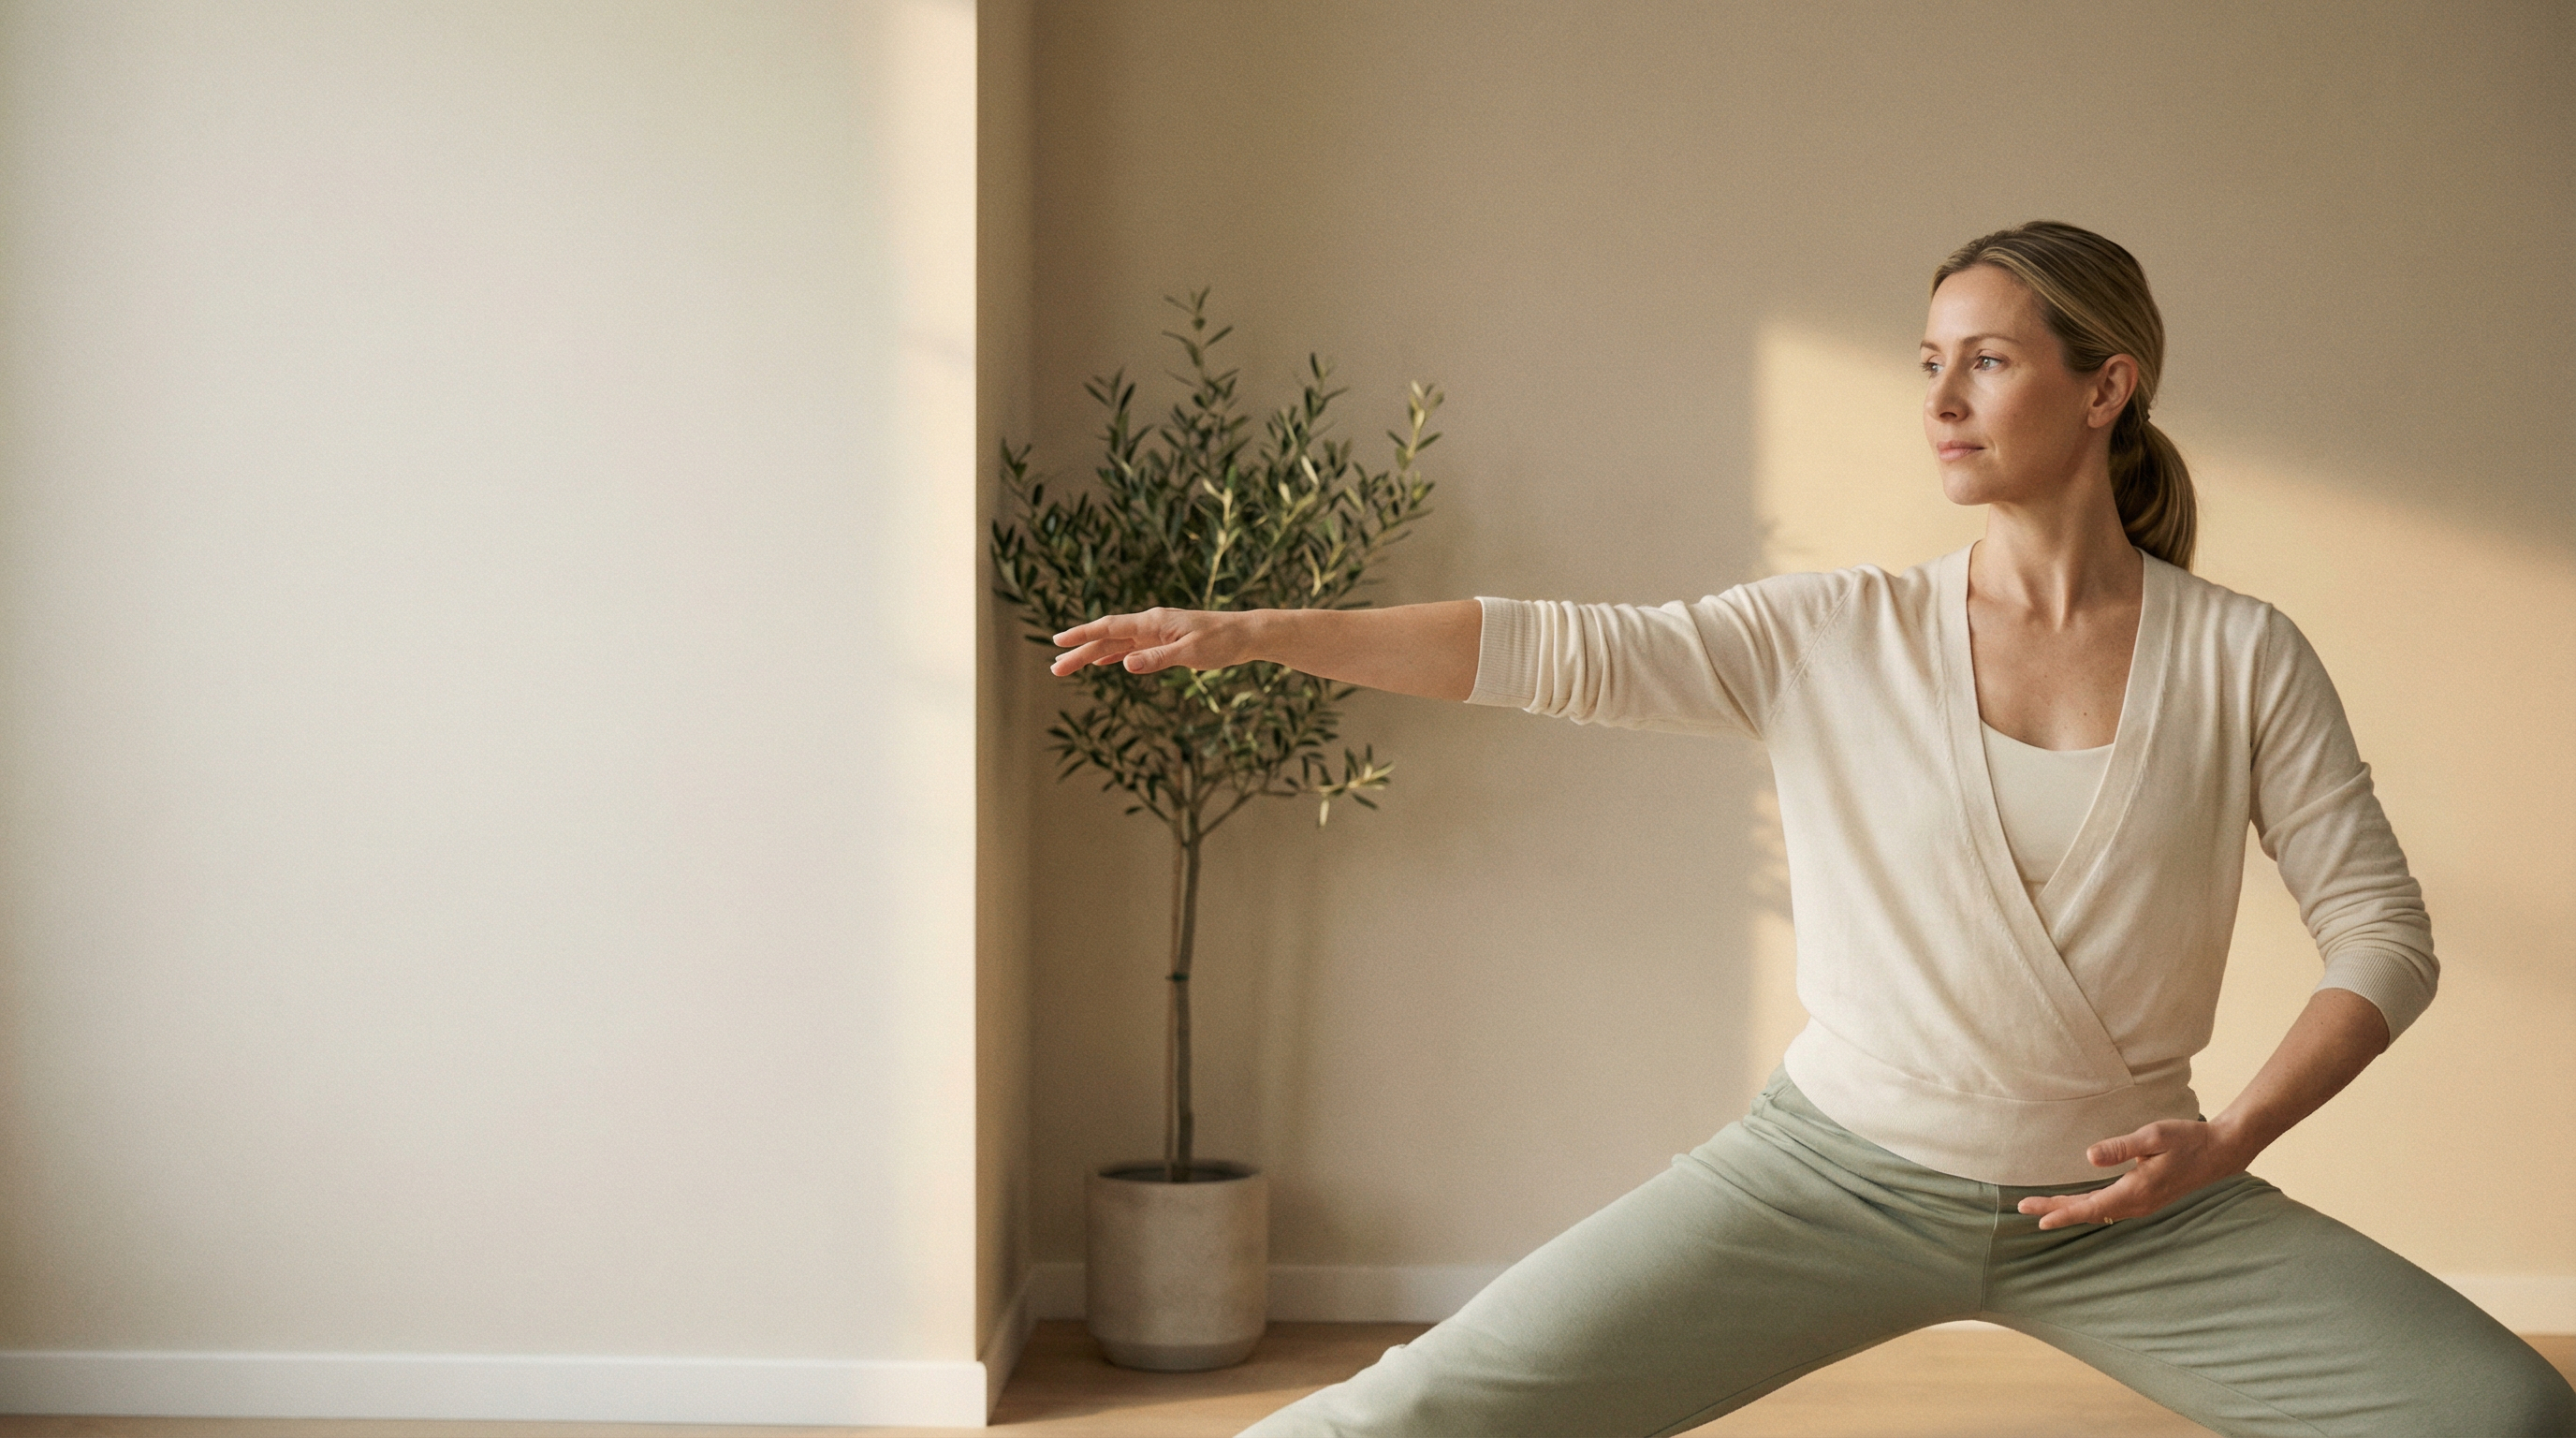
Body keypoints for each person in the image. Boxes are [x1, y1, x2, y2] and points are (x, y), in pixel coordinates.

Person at [1046, 222, 2576, 1437]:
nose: (1941, 401)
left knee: (2501, 1411)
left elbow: (2384, 932)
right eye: (1929, 362)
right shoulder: (1836, 633)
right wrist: (1255, 629)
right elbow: (1549, 649)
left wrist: (2227, 1141)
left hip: (2137, 1213)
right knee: (1411, 1415)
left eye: (1987, 361)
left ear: (2105, 387)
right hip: (1828, 1180)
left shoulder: (2246, 655)